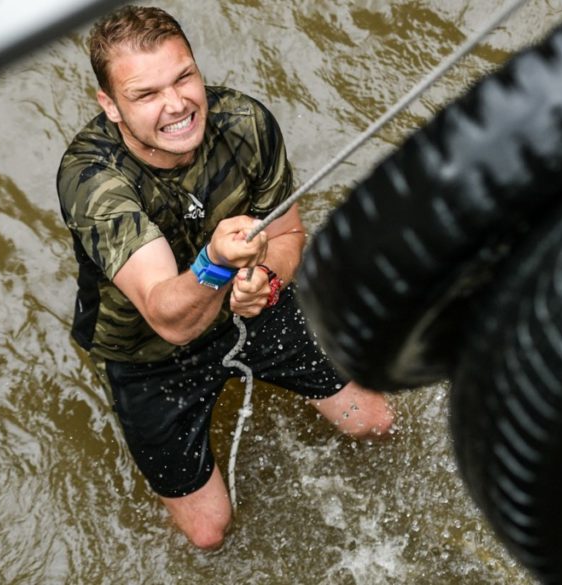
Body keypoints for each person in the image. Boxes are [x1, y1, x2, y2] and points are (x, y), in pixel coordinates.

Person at [56, 5, 394, 551]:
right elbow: (171, 319)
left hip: (250, 309)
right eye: (146, 95)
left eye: (184, 77)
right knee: (210, 533)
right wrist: (214, 263)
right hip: (148, 357)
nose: (177, 106)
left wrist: (264, 278)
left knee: (374, 422)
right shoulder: (93, 179)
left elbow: (286, 237)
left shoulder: (245, 124)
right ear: (110, 106)